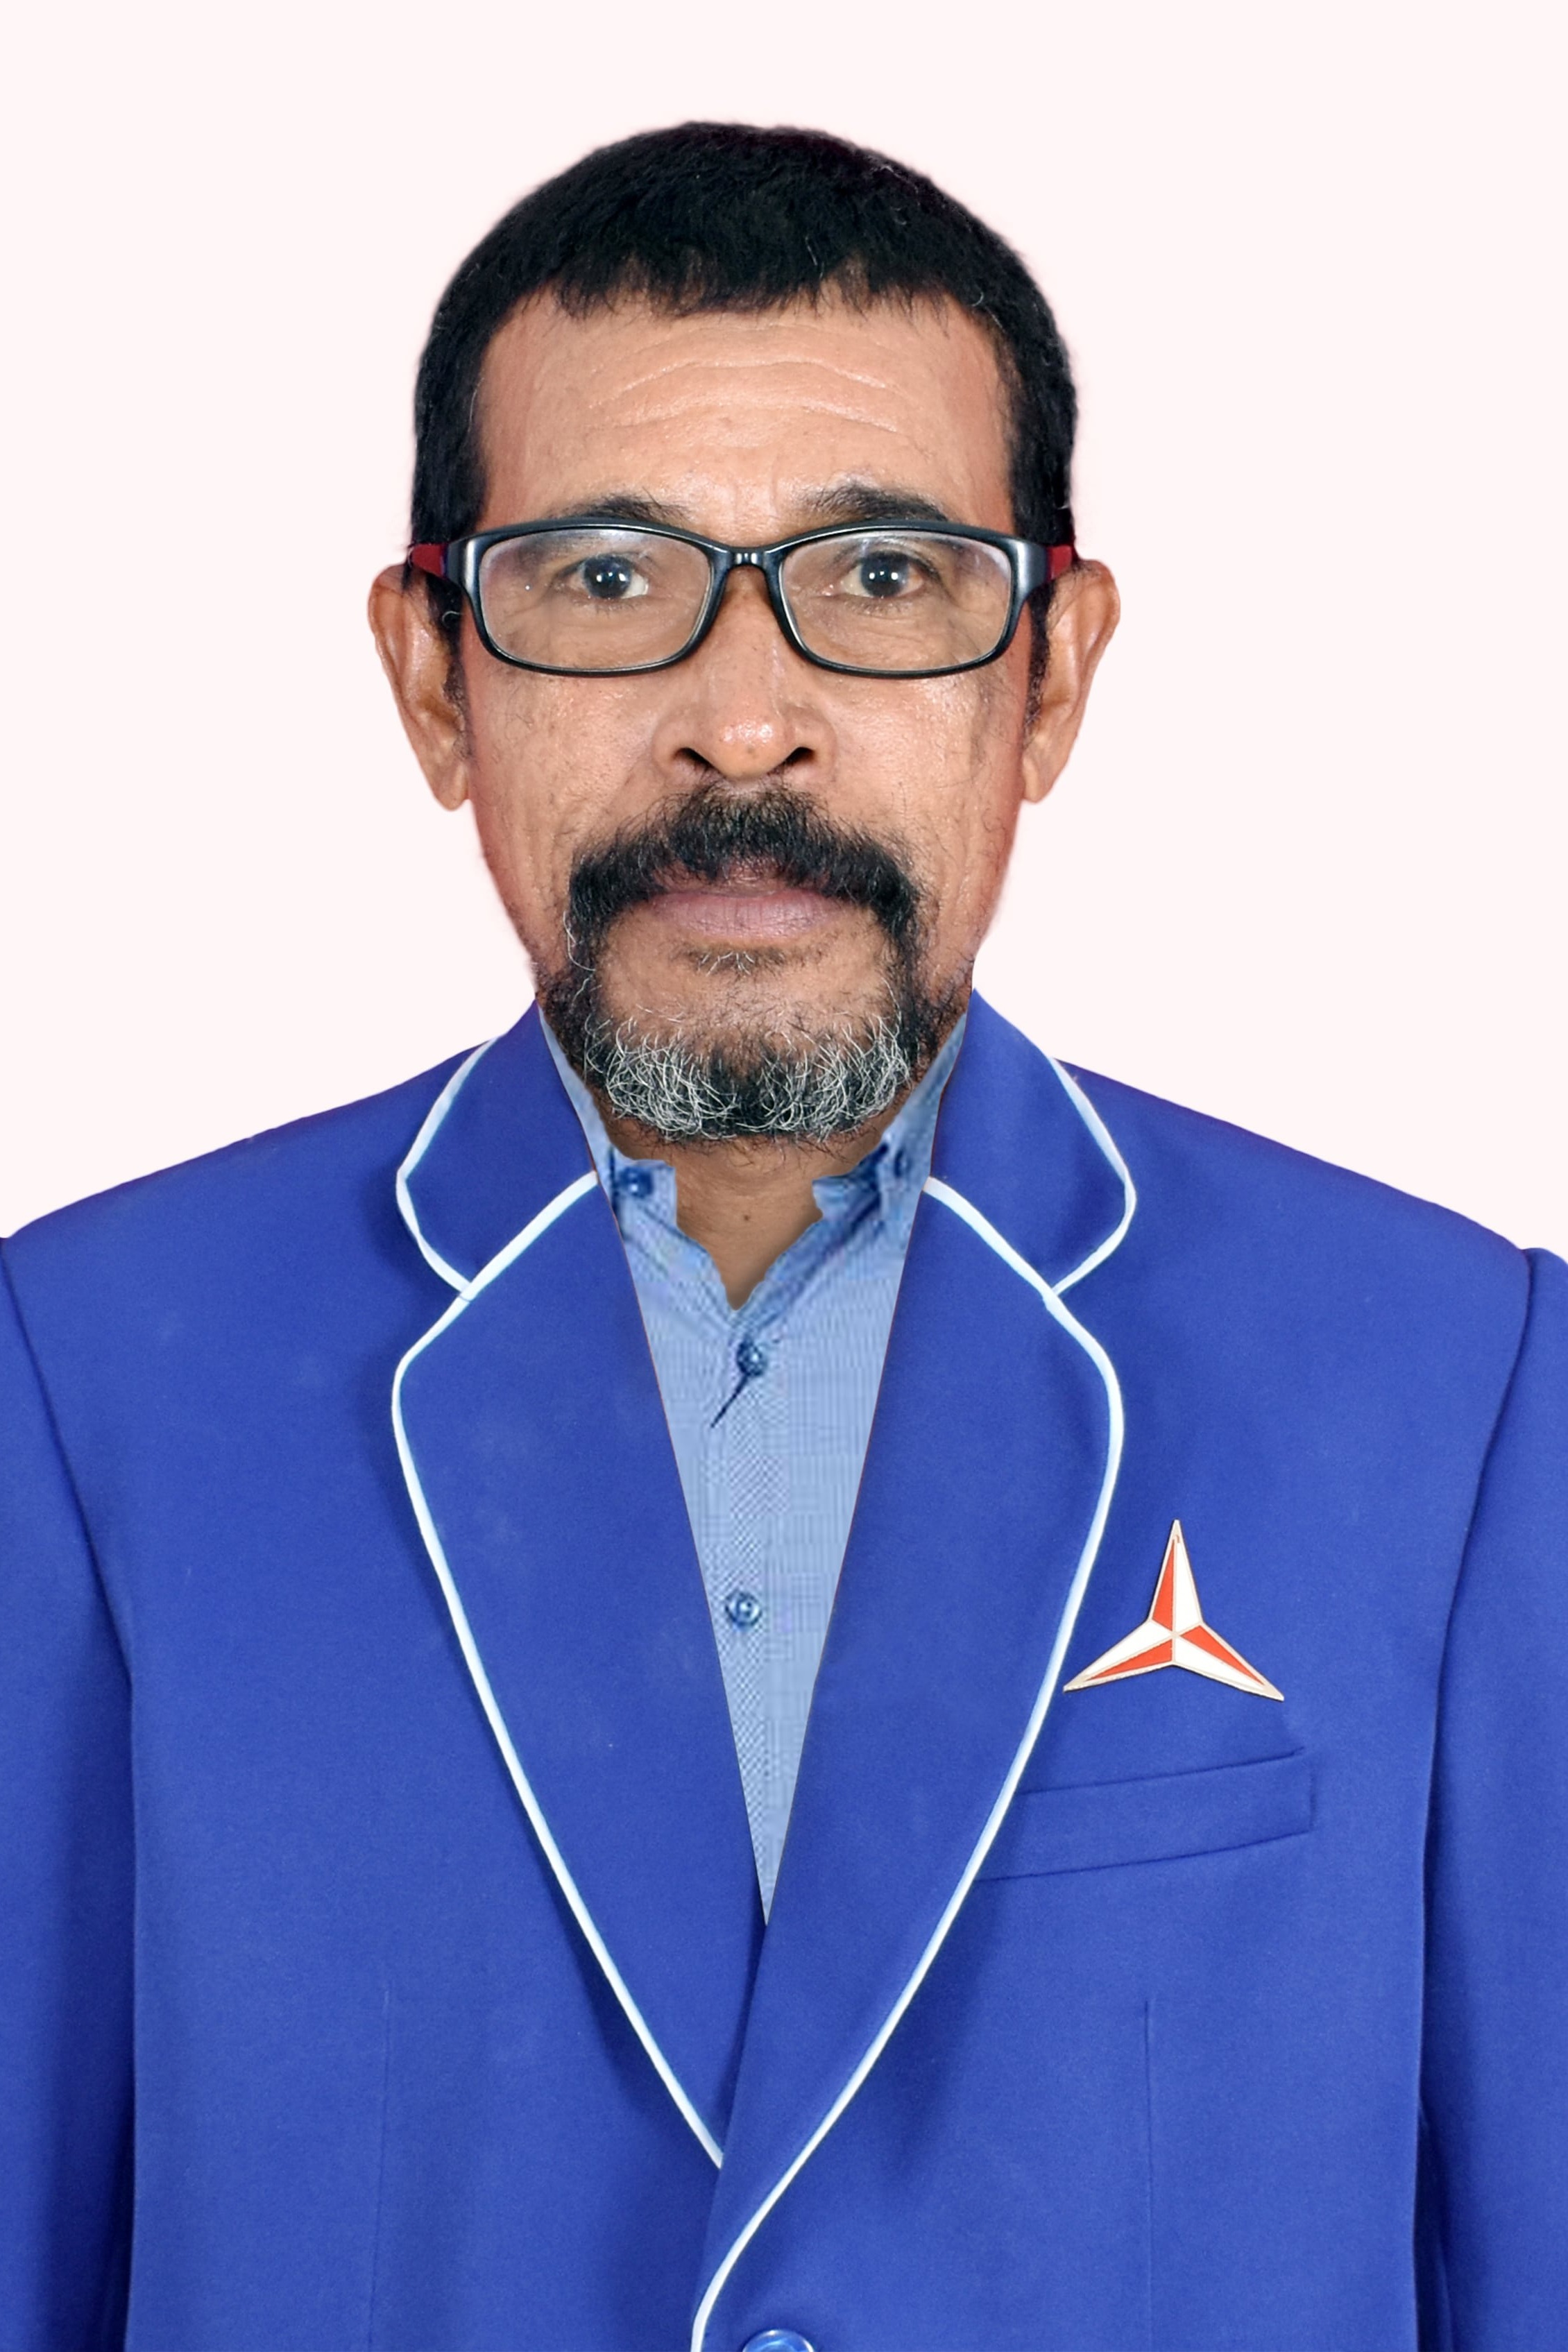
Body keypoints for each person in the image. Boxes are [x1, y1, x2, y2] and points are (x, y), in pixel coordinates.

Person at [1, 120, 1563, 2352]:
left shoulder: (1460, 1387)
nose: (744, 726)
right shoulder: (81, 1382)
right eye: (605, 579)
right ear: (436, 680)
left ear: (1050, 675)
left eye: (886, 576)